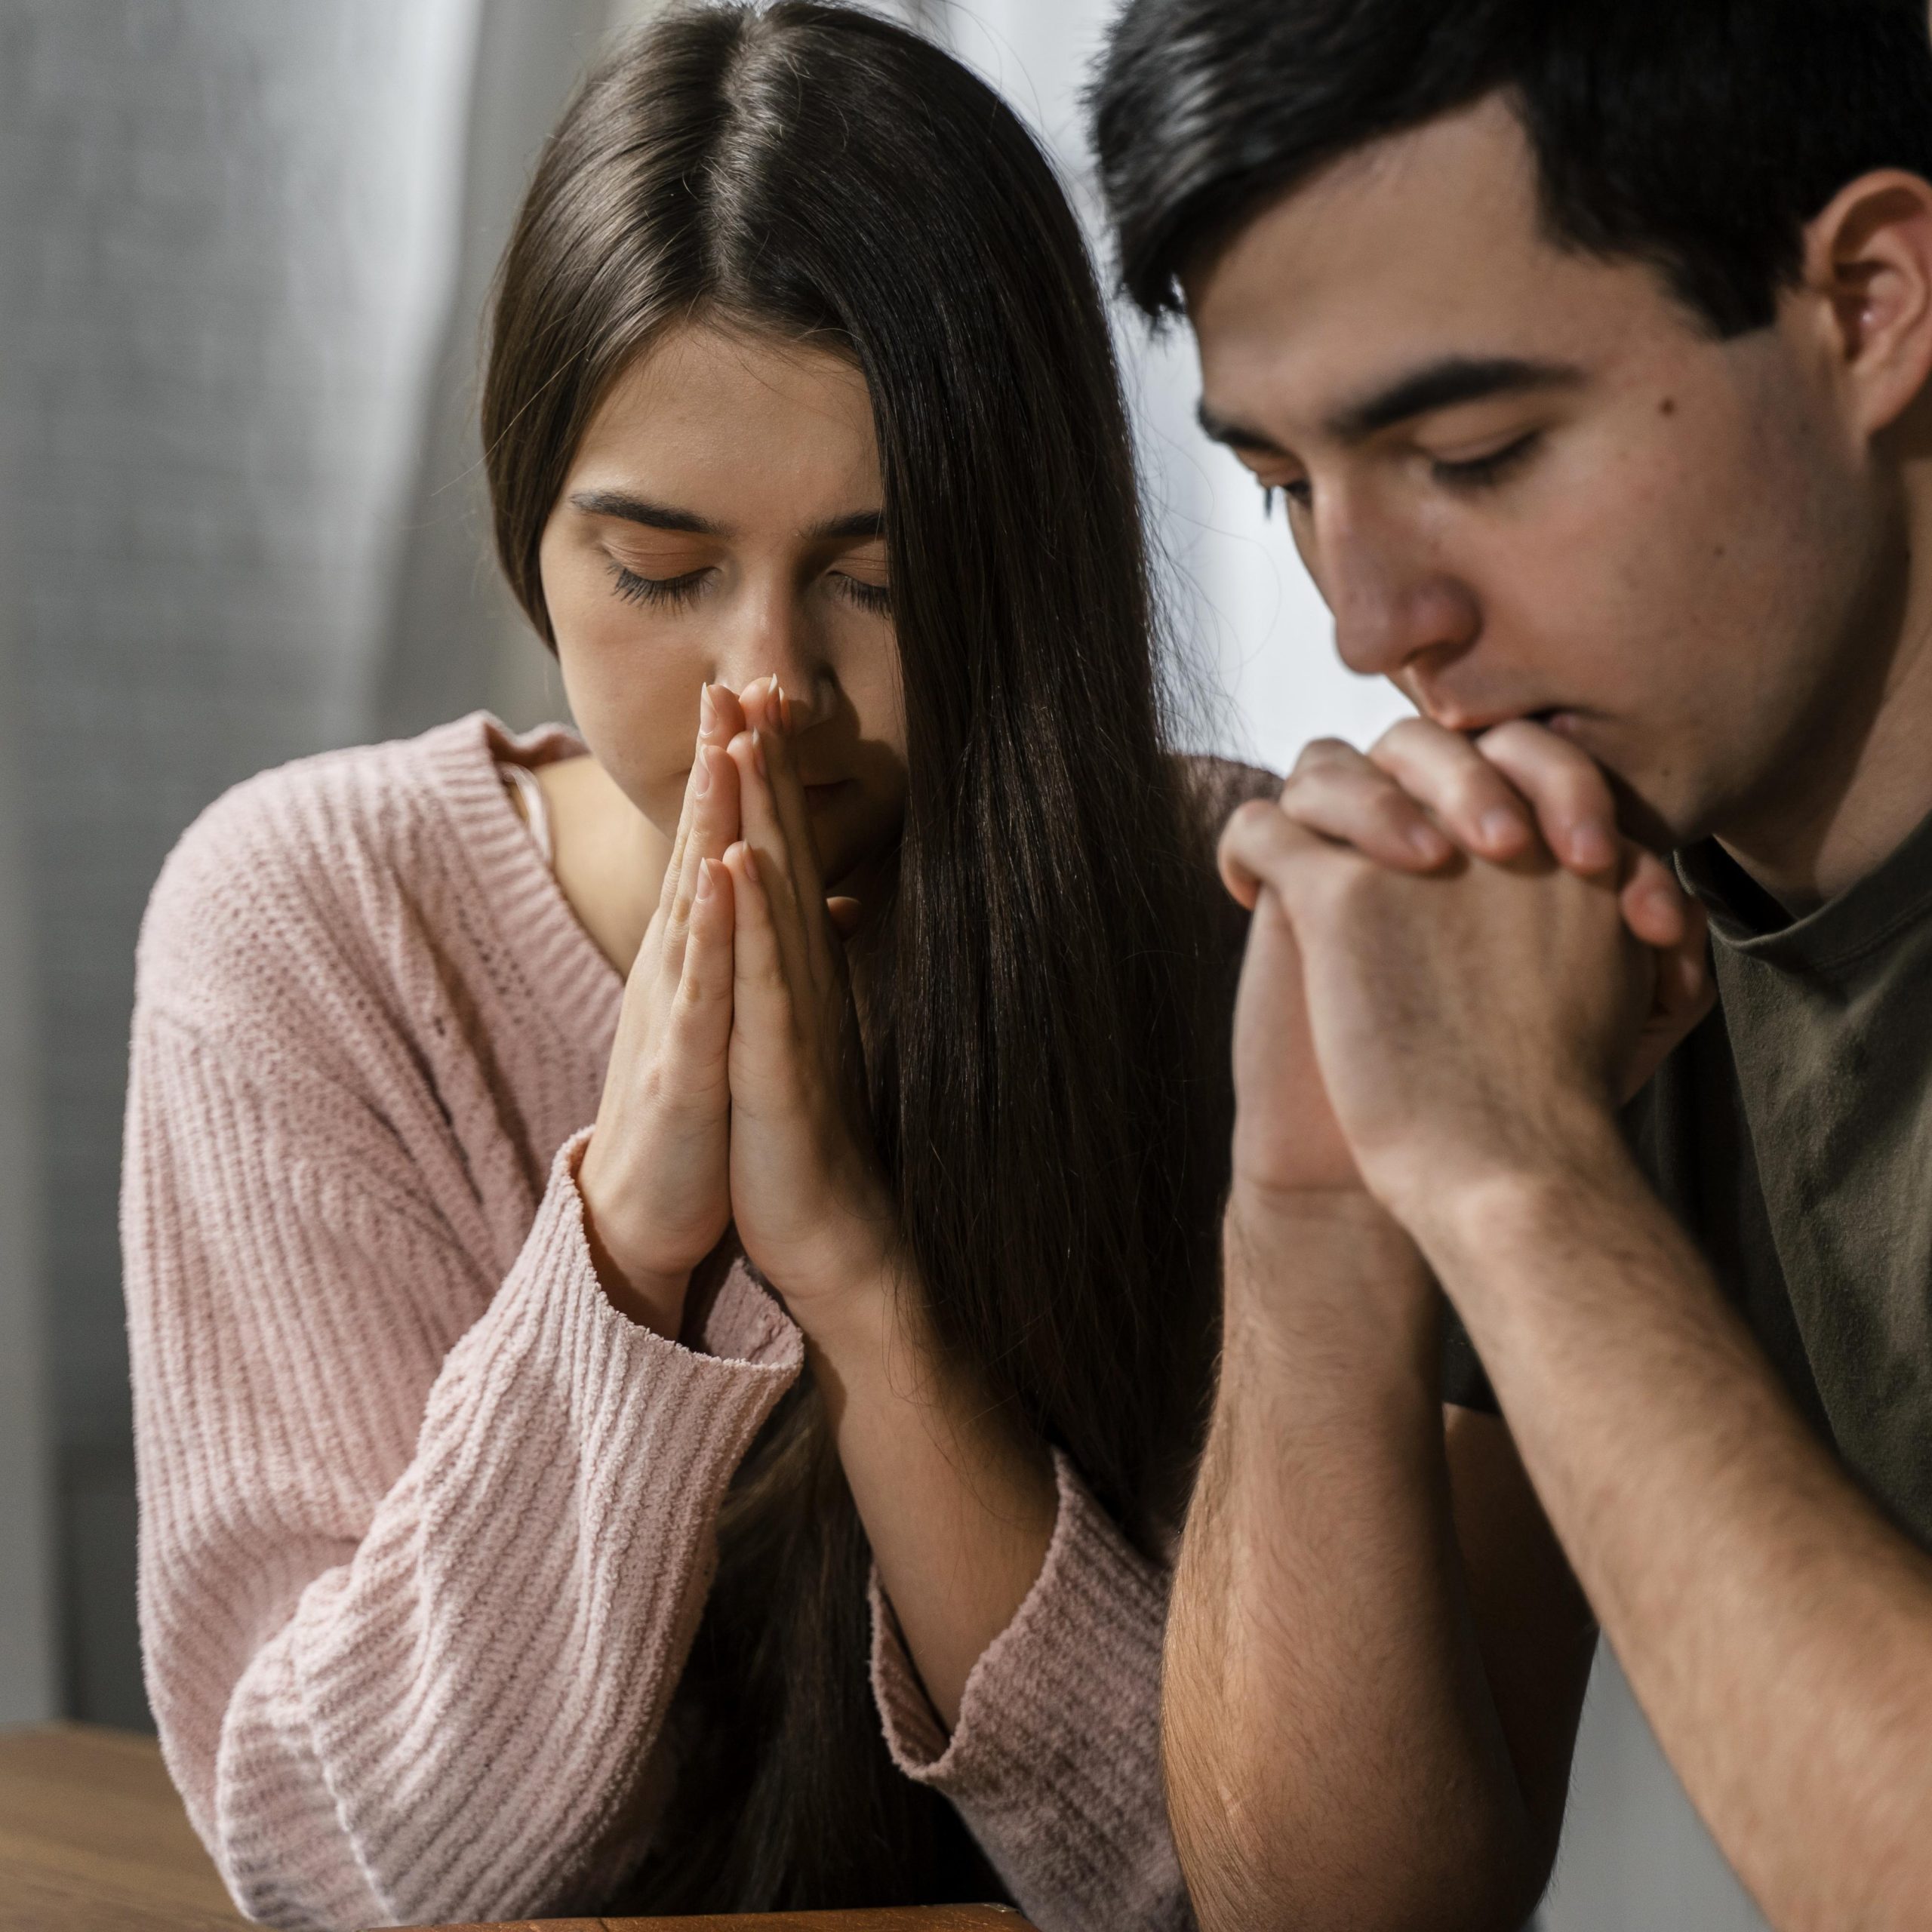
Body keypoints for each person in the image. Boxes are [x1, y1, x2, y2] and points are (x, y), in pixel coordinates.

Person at [123, 7, 1269, 1927]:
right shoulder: (315, 922)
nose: (773, 683)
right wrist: (629, 1242)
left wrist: (858, 1279)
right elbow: (336, 1866)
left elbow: (1214, 1878)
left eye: (882, 578)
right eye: (658, 571)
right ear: (528, 536)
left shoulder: (1224, 906)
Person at [1090, 2, 1932, 1928]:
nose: (1374, 620)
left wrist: (1511, 1172)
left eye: (1470, 449)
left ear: (1871, 303)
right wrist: (1309, 1205)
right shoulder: (1570, 879)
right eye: (1288, 483)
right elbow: (1327, 1911)